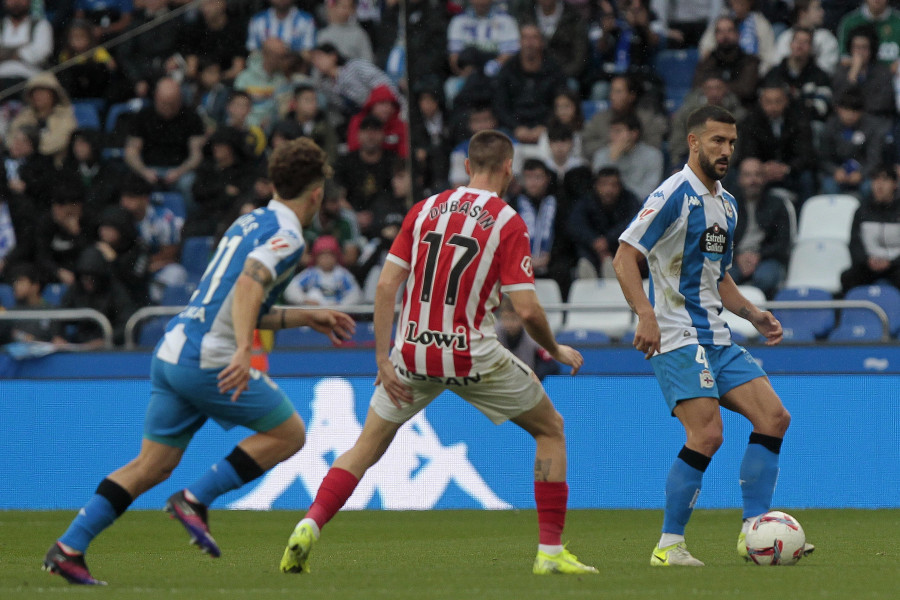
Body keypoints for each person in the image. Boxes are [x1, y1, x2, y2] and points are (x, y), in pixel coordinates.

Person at [279, 129, 598, 577]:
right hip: (472, 353)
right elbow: (525, 308)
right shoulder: (507, 221)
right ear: (508, 169)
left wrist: (383, 359)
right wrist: (554, 348)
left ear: (467, 167)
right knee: (551, 430)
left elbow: (387, 285)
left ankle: (310, 523)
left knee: (365, 447)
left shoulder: (424, 209)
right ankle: (549, 552)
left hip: (411, 354)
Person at [42, 137, 356, 586]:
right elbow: (249, 287)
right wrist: (245, 349)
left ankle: (68, 548)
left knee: (150, 465)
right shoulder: (287, 237)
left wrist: (309, 315)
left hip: (174, 350)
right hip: (209, 358)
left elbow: (236, 295)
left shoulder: (250, 221)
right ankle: (196, 499)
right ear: (317, 193)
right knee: (289, 433)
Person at [612, 105, 815, 567]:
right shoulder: (672, 195)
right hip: (675, 334)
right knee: (707, 433)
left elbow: (717, 274)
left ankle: (755, 531)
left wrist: (753, 313)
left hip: (716, 336)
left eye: (732, 143)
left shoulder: (727, 205)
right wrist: (643, 314)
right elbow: (625, 257)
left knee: (775, 418)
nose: (726, 151)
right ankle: (669, 546)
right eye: (718, 141)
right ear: (694, 142)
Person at [728, 157, 792, 298]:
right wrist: (738, 255)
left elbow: (783, 243)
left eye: (757, 175)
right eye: (748, 175)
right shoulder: (728, 205)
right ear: (739, 179)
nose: (753, 181)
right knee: (721, 280)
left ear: (764, 178)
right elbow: (722, 240)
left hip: (767, 258)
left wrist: (759, 255)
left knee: (765, 278)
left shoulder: (777, 205)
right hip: (735, 258)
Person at [840, 166, 900, 292]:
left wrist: (892, 263)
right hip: (868, 265)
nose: (879, 185)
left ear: (895, 184)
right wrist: (867, 260)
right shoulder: (862, 211)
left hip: (896, 265)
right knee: (848, 277)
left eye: (885, 180)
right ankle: (850, 311)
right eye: (875, 179)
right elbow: (854, 243)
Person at [283, 235, 362, 307]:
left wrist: (342, 305)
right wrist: (304, 299)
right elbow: (291, 289)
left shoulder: (342, 274)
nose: (326, 259)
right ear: (316, 257)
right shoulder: (311, 273)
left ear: (336, 257)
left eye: (330, 255)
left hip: (337, 312)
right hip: (315, 312)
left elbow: (355, 294)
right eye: (322, 255)